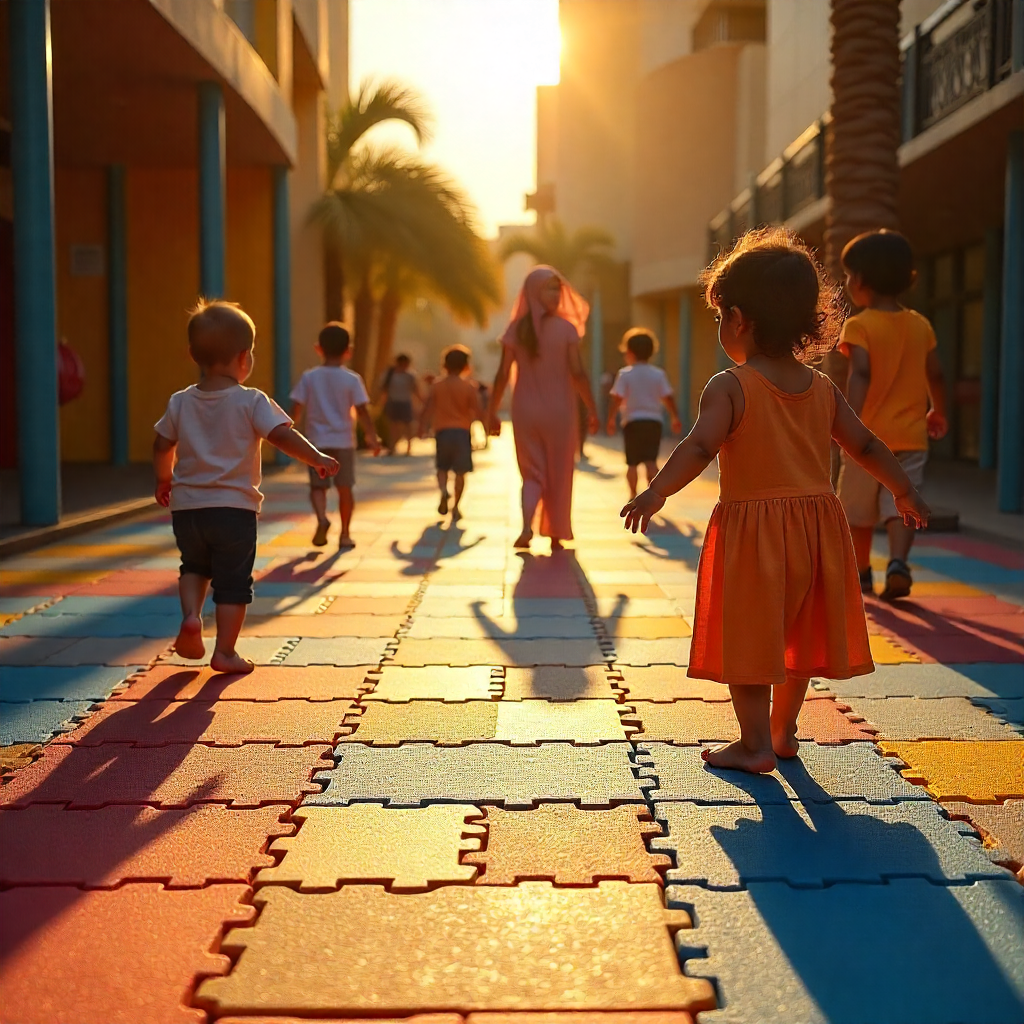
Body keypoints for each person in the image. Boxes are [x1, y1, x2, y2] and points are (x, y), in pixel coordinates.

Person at [621, 229, 929, 774]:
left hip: (754, 532)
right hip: (816, 529)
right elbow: (863, 443)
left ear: (739, 319)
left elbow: (698, 446)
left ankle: (755, 741)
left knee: (749, 636)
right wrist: (902, 488)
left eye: (719, 319)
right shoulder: (821, 388)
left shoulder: (731, 386)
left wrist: (656, 490)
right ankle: (785, 733)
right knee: (797, 636)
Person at [153, 300, 338, 675]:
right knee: (234, 583)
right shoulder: (251, 401)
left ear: (193, 355)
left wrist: (164, 478)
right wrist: (316, 457)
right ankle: (225, 652)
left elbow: (161, 444)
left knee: (193, 567)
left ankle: (191, 616)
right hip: (234, 511)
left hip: (187, 508)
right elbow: (283, 437)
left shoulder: (180, 401)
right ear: (244, 358)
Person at [837, 230, 948, 600]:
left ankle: (862, 571)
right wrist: (939, 410)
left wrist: (847, 419)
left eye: (849, 275)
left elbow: (861, 372)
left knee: (857, 511)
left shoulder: (860, 325)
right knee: (902, 505)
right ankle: (898, 562)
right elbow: (936, 373)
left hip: (867, 441)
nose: (848, 282)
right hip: (911, 436)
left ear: (862, 281)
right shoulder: (920, 325)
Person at [487, 265, 599, 552]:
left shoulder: (515, 329)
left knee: (531, 473)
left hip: (525, 411)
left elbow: (502, 375)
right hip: (560, 412)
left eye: (557, 287)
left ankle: (526, 528)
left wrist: (490, 411)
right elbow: (577, 373)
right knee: (559, 472)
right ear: (534, 292)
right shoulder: (567, 329)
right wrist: (592, 407)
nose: (556, 293)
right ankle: (555, 533)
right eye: (549, 287)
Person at [290, 322, 380, 550]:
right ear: (348, 350)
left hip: (315, 443)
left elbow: (296, 408)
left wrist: (288, 432)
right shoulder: (352, 379)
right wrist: (372, 436)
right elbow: (362, 410)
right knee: (345, 488)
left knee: (318, 487)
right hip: (343, 442)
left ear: (318, 348)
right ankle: (346, 535)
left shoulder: (309, 377)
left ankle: (321, 517)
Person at [607, 327, 683, 499]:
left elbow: (617, 399)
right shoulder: (658, 374)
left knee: (632, 462)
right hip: (653, 422)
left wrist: (611, 418)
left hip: (632, 422)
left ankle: (633, 494)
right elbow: (668, 397)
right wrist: (675, 417)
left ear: (629, 352)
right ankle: (655, 494)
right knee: (651, 461)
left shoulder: (625, 374)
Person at [419, 344, 483, 520]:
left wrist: (421, 426)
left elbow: (428, 408)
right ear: (466, 366)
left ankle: (443, 491)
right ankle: (456, 507)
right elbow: (477, 410)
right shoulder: (469, 386)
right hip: (462, 431)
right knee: (461, 471)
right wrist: (485, 428)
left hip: (442, 431)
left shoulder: (437, 385)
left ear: (444, 365)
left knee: (442, 467)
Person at [377, 353, 420, 456]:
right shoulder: (390, 374)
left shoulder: (410, 375)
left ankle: (409, 447)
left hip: (405, 401)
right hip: (393, 401)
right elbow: (383, 388)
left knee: (408, 425)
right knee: (393, 425)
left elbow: (415, 389)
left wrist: (421, 402)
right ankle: (392, 447)